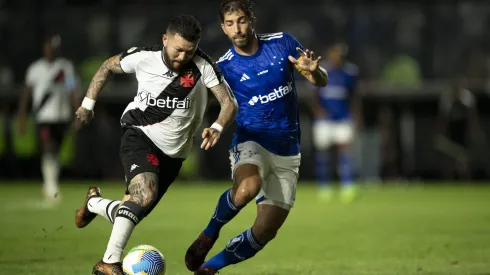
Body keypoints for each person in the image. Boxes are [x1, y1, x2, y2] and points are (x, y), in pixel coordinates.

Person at [73, 15, 238, 275]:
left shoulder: (203, 65)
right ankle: (108, 263)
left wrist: (217, 126)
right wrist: (88, 104)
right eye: (177, 49)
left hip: (174, 154)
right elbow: (106, 67)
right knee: (143, 197)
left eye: (189, 51)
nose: (182, 57)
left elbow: (229, 103)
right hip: (139, 135)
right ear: (165, 39)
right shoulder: (143, 57)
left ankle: (94, 203)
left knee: (133, 209)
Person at [184, 1, 328, 274]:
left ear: (252, 20)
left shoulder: (282, 43)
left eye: (241, 20)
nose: (237, 28)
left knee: (264, 232)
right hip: (252, 140)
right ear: (223, 29)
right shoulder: (224, 67)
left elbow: (320, 80)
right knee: (247, 189)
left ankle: (210, 268)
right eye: (230, 23)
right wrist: (214, 126)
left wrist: (315, 72)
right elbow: (223, 105)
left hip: (288, 149)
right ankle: (209, 233)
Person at [17, 33, 79, 205]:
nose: (51, 49)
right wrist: (22, 119)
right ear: (44, 47)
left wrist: (78, 112)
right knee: (48, 148)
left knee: (56, 152)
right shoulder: (35, 69)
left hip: (61, 116)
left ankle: (50, 183)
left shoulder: (65, 67)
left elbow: (72, 90)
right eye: (48, 45)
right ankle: (51, 187)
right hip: (43, 117)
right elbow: (26, 94)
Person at [310, 42, 360, 203]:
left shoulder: (350, 72)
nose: (337, 58)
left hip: (343, 118)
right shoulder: (321, 71)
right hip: (325, 120)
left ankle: (348, 185)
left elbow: (355, 97)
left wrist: (356, 116)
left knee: (344, 152)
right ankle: (325, 186)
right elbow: (313, 94)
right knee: (323, 154)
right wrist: (318, 111)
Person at [434, 75, 483, 180]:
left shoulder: (468, 100)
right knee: (449, 165)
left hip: (464, 136)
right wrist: (440, 135)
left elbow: (473, 120)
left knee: (465, 164)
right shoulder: (447, 100)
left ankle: (467, 184)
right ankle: (449, 184)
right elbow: (442, 121)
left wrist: (476, 134)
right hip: (451, 136)